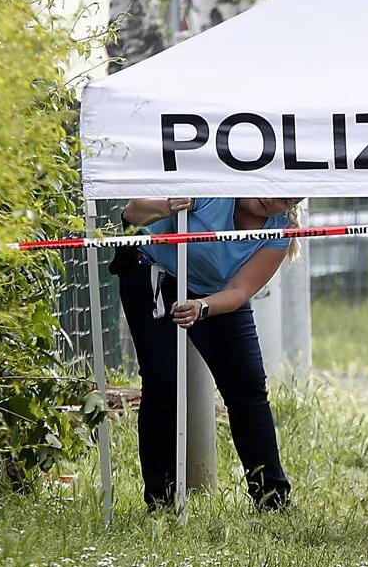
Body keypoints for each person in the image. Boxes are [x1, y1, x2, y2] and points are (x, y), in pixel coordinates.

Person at [113, 196, 305, 511]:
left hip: (213, 293)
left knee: (248, 387)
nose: (272, 202)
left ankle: (273, 500)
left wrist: (202, 307)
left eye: (286, 201)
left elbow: (239, 291)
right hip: (152, 268)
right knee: (163, 382)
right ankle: (161, 503)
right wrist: (169, 207)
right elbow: (131, 212)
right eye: (273, 191)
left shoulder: (280, 231)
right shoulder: (209, 190)